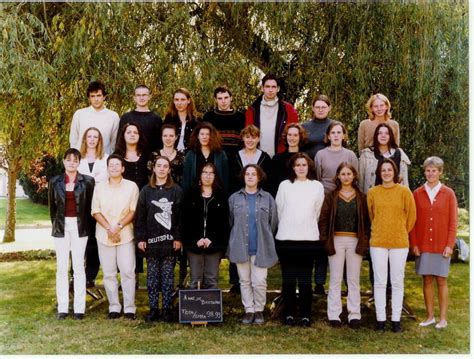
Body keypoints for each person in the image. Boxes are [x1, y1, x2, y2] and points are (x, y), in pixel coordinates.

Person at [275, 153, 325, 327]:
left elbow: (317, 212)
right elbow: (279, 211)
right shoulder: (285, 186)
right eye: (298, 165)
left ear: (309, 167)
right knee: (288, 280)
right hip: (286, 238)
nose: (301, 168)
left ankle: (305, 315)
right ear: (293, 167)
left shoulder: (317, 187)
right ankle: (288, 314)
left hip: (309, 239)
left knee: (305, 280)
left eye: (304, 164)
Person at [318, 162, 370, 329]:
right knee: (335, 278)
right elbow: (324, 220)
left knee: (353, 279)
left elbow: (367, 222)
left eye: (349, 173)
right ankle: (334, 314)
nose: (346, 177)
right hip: (336, 240)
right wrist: (325, 240)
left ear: (354, 176)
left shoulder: (362, 197)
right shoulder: (331, 196)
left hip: (355, 241)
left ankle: (354, 314)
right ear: (338, 176)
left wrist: (365, 240)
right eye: (343, 174)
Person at [367, 158, 416, 333]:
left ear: (395, 172)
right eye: (383, 170)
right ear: (379, 173)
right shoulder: (373, 192)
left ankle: (396, 319)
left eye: (389, 169)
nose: (386, 173)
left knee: (397, 281)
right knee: (380, 282)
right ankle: (380, 319)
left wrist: (400, 231)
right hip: (378, 242)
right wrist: (381, 229)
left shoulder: (404, 192)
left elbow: (411, 217)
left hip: (399, 243)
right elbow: (372, 216)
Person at [410, 156, 458, 330]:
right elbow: (412, 222)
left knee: (441, 280)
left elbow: (453, 222)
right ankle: (430, 316)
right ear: (425, 172)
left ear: (440, 172)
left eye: (434, 171)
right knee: (427, 279)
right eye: (428, 170)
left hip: (441, 245)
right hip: (423, 244)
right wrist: (414, 243)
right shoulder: (417, 193)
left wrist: (449, 245)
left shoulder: (448, 193)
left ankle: (443, 318)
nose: (430, 173)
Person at [135, 156, 183, 322]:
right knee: (152, 276)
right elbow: (140, 217)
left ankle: (167, 309)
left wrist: (178, 238)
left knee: (168, 276)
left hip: (169, 241)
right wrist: (141, 238)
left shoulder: (176, 190)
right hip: (151, 242)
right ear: (153, 168)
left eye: (165, 166)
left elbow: (179, 217)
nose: (162, 169)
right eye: (159, 166)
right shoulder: (146, 191)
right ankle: (154, 308)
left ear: (169, 170)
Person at [228, 164, 278, 325]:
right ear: (243, 177)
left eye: (253, 174)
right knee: (244, 280)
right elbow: (231, 222)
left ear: (259, 177)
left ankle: (259, 310)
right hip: (240, 246)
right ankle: (248, 310)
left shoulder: (267, 198)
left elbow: (273, 223)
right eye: (247, 174)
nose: (250, 177)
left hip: (261, 246)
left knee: (259, 281)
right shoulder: (234, 198)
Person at [91, 154, 139, 320]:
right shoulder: (99, 188)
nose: (114, 168)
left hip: (125, 234)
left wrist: (117, 227)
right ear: (107, 168)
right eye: (111, 165)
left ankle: (129, 308)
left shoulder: (131, 187)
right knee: (109, 273)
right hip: (104, 234)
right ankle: (114, 307)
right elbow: (95, 210)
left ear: (123, 168)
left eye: (117, 165)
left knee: (127, 271)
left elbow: (133, 211)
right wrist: (109, 229)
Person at [49, 148, 95, 320]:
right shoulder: (54, 181)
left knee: (78, 267)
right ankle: (62, 307)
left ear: (79, 162)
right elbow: (52, 210)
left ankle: (79, 308)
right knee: (61, 267)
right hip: (61, 226)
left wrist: (86, 228)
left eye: (75, 160)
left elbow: (90, 207)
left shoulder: (88, 181)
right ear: (63, 162)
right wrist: (57, 225)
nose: (71, 163)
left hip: (80, 226)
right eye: (68, 160)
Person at [182, 163, 229, 289]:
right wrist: (196, 238)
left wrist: (211, 239)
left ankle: (211, 309)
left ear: (215, 176)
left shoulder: (221, 196)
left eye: (211, 173)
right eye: (205, 172)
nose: (208, 176)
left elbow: (224, 223)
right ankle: (193, 308)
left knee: (212, 280)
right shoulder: (190, 195)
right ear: (200, 175)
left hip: (214, 244)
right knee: (195, 280)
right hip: (193, 244)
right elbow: (185, 221)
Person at [115, 122, 150, 285]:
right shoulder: (118, 156)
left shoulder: (146, 155)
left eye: (135, 132)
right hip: (122, 202)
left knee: (140, 235)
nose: (132, 135)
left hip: (143, 201)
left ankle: (138, 275)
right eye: (129, 132)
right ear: (123, 135)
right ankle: (126, 274)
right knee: (126, 237)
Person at [77, 127, 109, 288]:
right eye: (89, 136)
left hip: (99, 205)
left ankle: (90, 276)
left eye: (95, 137)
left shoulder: (105, 159)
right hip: (80, 205)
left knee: (94, 242)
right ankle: (75, 274)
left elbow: (106, 182)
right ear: (84, 139)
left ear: (99, 140)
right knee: (78, 240)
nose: (92, 139)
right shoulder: (77, 159)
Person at [245, 73, 299, 158]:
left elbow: (295, 133)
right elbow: (247, 134)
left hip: (281, 157)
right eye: (267, 86)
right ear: (262, 88)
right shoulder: (252, 110)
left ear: (278, 89)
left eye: (273, 87)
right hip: (258, 158)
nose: (270, 90)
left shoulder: (288, 109)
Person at [69, 80, 120, 154]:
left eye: (99, 95)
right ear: (89, 98)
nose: (96, 99)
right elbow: (73, 139)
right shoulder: (79, 114)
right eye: (92, 96)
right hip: (82, 160)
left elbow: (114, 142)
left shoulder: (113, 116)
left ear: (104, 97)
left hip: (103, 160)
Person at [359, 123, 410, 194]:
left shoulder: (399, 154)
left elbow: (405, 182)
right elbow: (360, 181)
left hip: (394, 198)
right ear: (376, 136)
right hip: (373, 199)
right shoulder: (366, 155)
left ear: (390, 136)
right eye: (380, 133)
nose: (383, 136)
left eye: (386, 133)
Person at [182, 122, 229, 194]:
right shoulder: (190, 155)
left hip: (216, 194)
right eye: (202, 134)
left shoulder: (220, 154)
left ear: (212, 136)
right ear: (197, 136)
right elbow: (186, 180)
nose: (205, 137)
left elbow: (225, 179)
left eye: (208, 134)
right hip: (195, 194)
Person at [315, 121, 358, 193]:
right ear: (328, 136)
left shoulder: (351, 155)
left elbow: (356, 178)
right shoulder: (320, 155)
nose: (336, 135)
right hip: (325, 195)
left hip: (346, 195)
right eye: (333, 132)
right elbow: (318, 178)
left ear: (343, 136)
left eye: (339, 132)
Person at [228, 125, 272, 194]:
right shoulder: (234, 157)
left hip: (259, 197)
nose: (250, 140)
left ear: (258, 139)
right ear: (243, 138)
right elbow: (230, 181)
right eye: (247, 137)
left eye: (253, 137)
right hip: (238, 197)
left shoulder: (265, 158)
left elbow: (269, 182)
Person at [119, 84, 163, 153]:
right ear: (134, 98)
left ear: (149, 97)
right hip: (129, 159)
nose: (141, 98)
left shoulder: (156, 119)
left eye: (144, 95)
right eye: (138, 95)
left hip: (150, 159)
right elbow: (120, 141)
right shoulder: (126, 117)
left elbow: (160, 144)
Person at [203, 86, 245, 156]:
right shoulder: (208, 117)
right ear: (215, 100)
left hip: (235, 157)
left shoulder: (240, 117)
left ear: (231, 98)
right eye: (220, 98)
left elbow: (243, 140)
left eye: (226, 97)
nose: (223, 101)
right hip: (214, 156)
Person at [270, 123, 308, 197]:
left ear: (300, 137)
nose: (292, 138)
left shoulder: (306, 158)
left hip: (302, 196)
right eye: (289, 135)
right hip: (282, 197)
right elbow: (273, 183)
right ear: (286, 136)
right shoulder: (277, 158)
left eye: (295, 135)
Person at [163, 88, 200, 153]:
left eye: (182, 100)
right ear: (173, 101)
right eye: (176, 100)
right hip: (171, 156)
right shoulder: (169, 119)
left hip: (190, 156)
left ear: (188, 100)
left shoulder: (196, 120)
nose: (179, 103)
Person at [302, 94, 334, 159]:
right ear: (313, 108)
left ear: (329, 108)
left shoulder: (335, 126)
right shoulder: (304, 127)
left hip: (331, 164)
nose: (320, 110)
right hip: (309, 165)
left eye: (323, 107)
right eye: (317, 107)